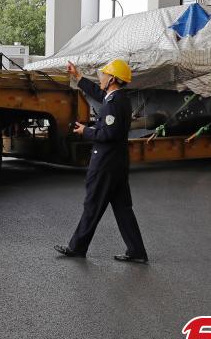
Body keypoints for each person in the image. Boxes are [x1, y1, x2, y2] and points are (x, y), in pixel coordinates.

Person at [54, 59, 148, 263]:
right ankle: (137, 251)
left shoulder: (114, 103)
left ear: (113, 79)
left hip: (106, 164)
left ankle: (77, 247)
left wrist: (85, 131)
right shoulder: (118, 97)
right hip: (117, 164)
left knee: (93, 204)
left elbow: (108, 134)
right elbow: (99, 94)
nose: (101, 77)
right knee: (123, 209)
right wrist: (78, 77)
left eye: (104, 75)